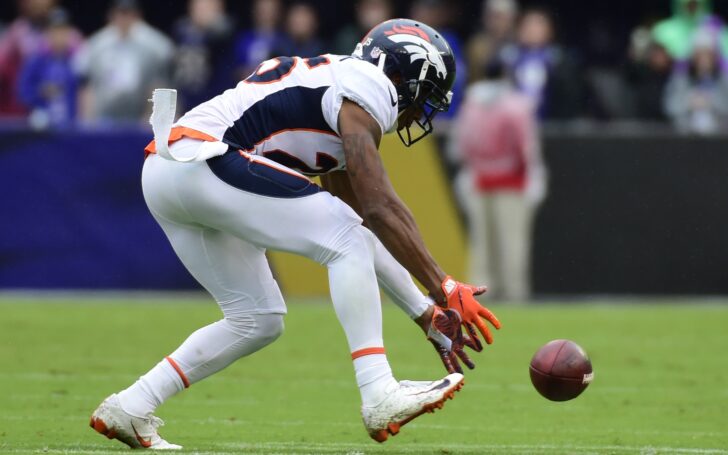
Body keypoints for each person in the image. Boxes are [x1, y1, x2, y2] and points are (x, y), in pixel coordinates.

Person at [88, 19, 501, 450]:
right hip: (205, 158)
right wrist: (444, 285)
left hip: (167, 170)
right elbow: (379, 210)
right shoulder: (369, 85)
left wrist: (425, 313)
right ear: (402, 74)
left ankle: (131, 405)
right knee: (345, 240)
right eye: (426, 96)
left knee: (258, 319)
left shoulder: (340, 90)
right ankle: (378, 390)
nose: (420, 113)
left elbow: (363, 223)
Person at [452, 61, 545, 301]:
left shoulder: (471, 104)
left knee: (481, 244)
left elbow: (460, 147)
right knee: (513, 241)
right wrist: (535, 175)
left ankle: (480, 294)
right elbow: (526, 147)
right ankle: (514, 292)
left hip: (478, 180)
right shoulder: (516, 105)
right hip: (512, 183)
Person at [73, 0, 174, 123]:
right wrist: (88, 120)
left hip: (140, 116)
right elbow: (86, 84)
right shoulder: (97, 44)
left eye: (128, 14)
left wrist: (153, 118)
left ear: (137, 16)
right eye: (120, 14)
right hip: (104, 117)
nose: (124, 19)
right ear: (111, 16)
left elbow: (160, 81)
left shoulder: (154, 45)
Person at [498, 8, 581, 119]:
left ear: (549, 30)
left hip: (551, 124)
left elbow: (569, 96)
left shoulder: (559, 59)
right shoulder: (508, 57)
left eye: (538, 25)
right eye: (527, 24)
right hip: (513, 123)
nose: (532, 30)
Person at [18, 7, 81, 128]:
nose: (59, 35)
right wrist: (41, 91)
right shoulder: (36, 60)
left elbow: (83, 92)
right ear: (47, 32)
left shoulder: (76, 60)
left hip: (71, 125)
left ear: (69, 32)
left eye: (62, 31)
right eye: (55, 30)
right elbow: (22, 92)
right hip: (42, 125)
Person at [0, 0, 64, 117]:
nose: (39, 3)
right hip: (20, 111)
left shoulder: (67, 34)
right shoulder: (16, 32)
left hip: (58, 109)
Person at [172, 0, 236, 111]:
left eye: (206, 6)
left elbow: (222, 32)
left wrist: (209, 26)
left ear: (219, 8)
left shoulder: (226, 32)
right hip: (185, 101)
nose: (201, 10)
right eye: (197, 5)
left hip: (216, 103)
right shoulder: (181, 31)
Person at [664, 28, 728, 134]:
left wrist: (711, 102)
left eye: (708, 54)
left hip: (720, 138)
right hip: (686, 137)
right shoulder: (681, 79)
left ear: (714, 56)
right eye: (700, 54)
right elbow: (669, 106)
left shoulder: (724, 79)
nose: (704, 59)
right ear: (693, 56)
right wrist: (688, 102)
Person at [652, 0, 728, 61]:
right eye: (689, 5)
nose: (692, 8)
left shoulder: (717, 27)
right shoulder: (662, 30)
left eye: (695, 4)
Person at [466, 0, 518, 84]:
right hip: (483, 88)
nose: (498, 22)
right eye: (494, 16)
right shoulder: (477, 44)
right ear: (485, 17)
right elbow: (474, 78)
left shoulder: (519, 41)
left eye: (503, 17)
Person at [233, 0, 286, 79]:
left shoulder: (284, 40)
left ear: (278, 12)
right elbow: (233, 67)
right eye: (262, 10)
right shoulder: (243, 38)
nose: (266, 14)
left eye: (270, 10)